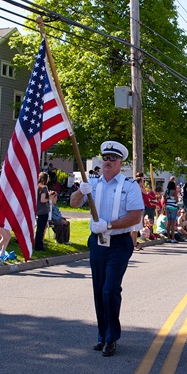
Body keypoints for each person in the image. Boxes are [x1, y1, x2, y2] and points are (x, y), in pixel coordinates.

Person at [70, 140, 143, 357]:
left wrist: (109, 225)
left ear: (121, 163)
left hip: (119, 243)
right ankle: (102, 335)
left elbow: (136, 215)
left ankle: (112, 337)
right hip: (97, 243)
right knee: (99, 288)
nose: (108, 162)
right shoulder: (92, 182)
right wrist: (81, 192)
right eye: (105, 158)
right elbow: (73, 203)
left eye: (113, 159)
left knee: (110, 289)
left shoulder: (130, 186)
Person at [35, 172, 51, 252]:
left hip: (37, 209)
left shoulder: (37, 187)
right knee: (41, 229)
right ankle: (39, 246)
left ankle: (37, 244)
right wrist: (49, 197)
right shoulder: (44, 188)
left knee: (39, 228)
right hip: (43, 210)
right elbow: (42, 199)